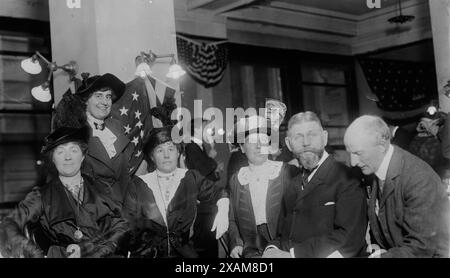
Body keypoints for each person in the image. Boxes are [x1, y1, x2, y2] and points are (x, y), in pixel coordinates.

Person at [0, 126, 128, 258]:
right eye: (60, 152)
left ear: (83, 156)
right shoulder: (41, 196)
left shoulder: (103, 189)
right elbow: (8, 225)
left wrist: (92, 250)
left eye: (73, 150)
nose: (68, 157)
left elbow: (121, 227)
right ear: (53, 159)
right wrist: (35, 254)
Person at [263, 112, 367, 258]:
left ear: (324, 138)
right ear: (288, 144)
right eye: (298, 137)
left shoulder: (347, 179)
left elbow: (349, 239)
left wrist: (292, 256)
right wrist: (271, 249)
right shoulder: (292, 185)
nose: (306, 142)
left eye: (312, 134)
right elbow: (283, 235)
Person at [344, 115, 450, 258]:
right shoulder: (372, 171)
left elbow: (421, 248)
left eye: (358, 153)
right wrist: (375, 247)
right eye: (350, 153)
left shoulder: (418, 178)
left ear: (382, 145)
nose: (353, 162)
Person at [123, 126, 229, 258]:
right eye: (160, 150)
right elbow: (126, 224)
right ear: (151, 156)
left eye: (171, 149)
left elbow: (219, 193)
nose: (166, 155)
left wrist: (223, 208)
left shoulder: (191, 178)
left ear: (178, 152)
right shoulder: (137, 185)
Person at [54, 73, 132, 206]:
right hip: (89, 213)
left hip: (121, 215)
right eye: (98, 96)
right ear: (85, 100)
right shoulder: (73, 131)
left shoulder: (117, 129)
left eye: (108, 96)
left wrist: (130, 214)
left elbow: (125, 179)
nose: (105, 102)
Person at [227, 115, 299, 258]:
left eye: (264, 140)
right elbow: (232, 218)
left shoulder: (285, 172)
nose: (259, 146)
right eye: (252, 141)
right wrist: (236, 243)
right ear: (242, 147)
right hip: (250, 247)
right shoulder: (237, 178)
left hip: (283, 245)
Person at [184, 118, 223, 258]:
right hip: (202, 204)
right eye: (207, 128)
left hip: (208, 202)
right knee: (204, 242)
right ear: (197, 129)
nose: (209, 131)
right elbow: (201, 170)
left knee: (210, 241)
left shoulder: (200, 147)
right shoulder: (191, 147)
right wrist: (212, 160)